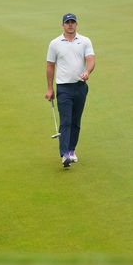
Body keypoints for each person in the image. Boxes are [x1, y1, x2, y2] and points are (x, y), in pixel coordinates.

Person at [45, 13, 95, 168]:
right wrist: (49, 88)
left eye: (73, 22)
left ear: (76, 24)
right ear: (63, 25)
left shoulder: (85, 41)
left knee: (76, 121)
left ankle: (72, 150)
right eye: (67, 23)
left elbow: (91, 60)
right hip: (63, 88)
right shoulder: (55, 43)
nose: (70, 25)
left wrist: (87, 71)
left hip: (80, 87)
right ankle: (65, 154)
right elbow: (50, 66)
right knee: (66, 120)